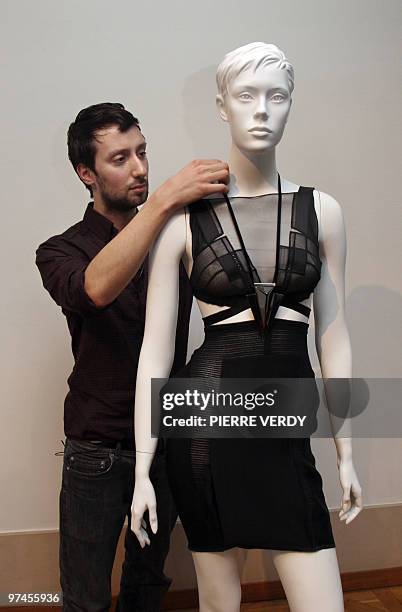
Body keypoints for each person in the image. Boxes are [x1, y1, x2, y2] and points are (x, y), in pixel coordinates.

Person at [131, 43, 364, 612]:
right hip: (204, 429)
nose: (261, 110)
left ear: (291, 106)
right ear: (221, 107)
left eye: (276, 96)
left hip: (284, 427)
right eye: (245, 97)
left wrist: (346, 453)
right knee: (219, 604)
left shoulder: (322, 211)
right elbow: (155, 351)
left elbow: (331, 333)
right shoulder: (183, 220)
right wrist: (143, 468)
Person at [35, 102, 229, 612]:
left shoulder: (177, 238)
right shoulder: (59, 250)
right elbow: (94, 289)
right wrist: (165, 202)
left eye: (142, 152)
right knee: (86, 596)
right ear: (87, 173)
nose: (140, 168)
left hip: (167, 437)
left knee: (147, 584)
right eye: (120, 158)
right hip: (97, 447)